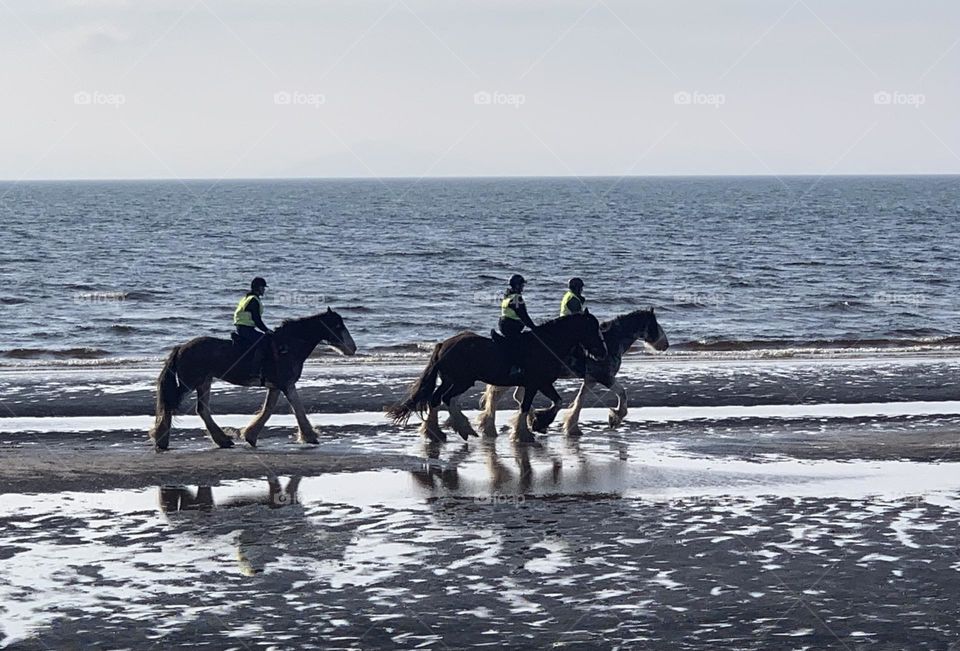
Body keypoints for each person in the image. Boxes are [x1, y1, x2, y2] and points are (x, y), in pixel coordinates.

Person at [233, 277, 272, 378]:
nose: (264, 290)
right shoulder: (253, 300)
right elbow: (256, 319)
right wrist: (266, 330)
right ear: (258, 288)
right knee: (263, 342)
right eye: (263, 287)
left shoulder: (246, 298)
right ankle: (255, 371)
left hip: (243, 327)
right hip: (246, 329)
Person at [499, 274, 536, 378]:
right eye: (522, 286)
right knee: (521, 346)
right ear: (517, 286)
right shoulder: (516, 298)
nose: (523, 288)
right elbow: (524, 317)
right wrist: (535, 329)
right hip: (511, 327)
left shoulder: (508, 296)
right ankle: (515, 367)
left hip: (505, 325)